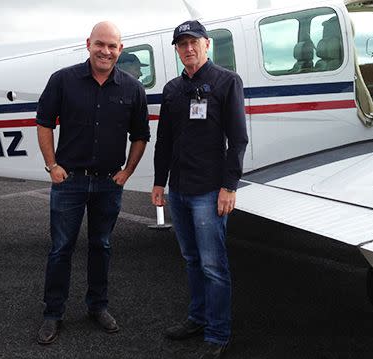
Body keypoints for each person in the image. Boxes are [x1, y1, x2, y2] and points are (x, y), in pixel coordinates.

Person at [35, 21, 150, 345]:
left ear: (121, 50)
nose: (106, 51)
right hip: (69, 181)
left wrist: (127, 171)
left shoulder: (132, 89)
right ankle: (53, 313)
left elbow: (141, 135)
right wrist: (52, 165)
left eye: (112, 46)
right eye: (100, 44)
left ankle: (97, 306)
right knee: (60, 249)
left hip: (108, 185)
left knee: (101, 246)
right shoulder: (63, 80)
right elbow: (44, 123)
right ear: (88, 44)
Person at [151, 20, 248, 359]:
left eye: (194, 42)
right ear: (177, 49)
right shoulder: (173, 89)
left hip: (210, 191)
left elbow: (237, 140)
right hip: (178, 190)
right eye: (182, 44)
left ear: (207, 44)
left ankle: (218, 333)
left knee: (213, 265)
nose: (188, 48)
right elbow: (164, 140)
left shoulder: (226, 82)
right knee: (191, 260)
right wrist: (159, 182)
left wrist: (228, 186)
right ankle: (197, 318)